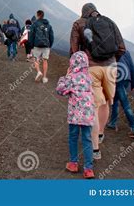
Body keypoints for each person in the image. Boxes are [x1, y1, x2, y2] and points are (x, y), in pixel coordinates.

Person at [70, 3, 126, 160]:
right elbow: (122, 48)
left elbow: (74, 50)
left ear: (83, 13)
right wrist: (112, 61)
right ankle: (100, 133)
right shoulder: (109, 22)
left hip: (91, 68)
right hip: (110, 68)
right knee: (106, 102)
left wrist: (77, 67)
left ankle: (95, 149)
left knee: (93, 106)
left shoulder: (79, 23)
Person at [56, 51, 95, 179]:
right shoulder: (89, 77)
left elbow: (60, 90)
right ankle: (88, 169)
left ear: (72, 63)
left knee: (73, 137)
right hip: (88, 115)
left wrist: (65, 76)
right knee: (87, 140)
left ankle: (73, 163)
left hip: (75, 115)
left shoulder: (71, 77)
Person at [107, 50, 134, 138]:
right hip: (125, 77)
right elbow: (132, 67)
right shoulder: (126, 51)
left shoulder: (110, 48)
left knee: (124, 103)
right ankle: (112, 123)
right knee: (115, 100)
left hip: (118, 77)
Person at [29, 10, 54, 83]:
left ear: (37, 15)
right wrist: (50, 45)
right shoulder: (49, 25)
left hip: (37, 44)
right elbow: (51, 36)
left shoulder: (34, 24)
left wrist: (31, 44)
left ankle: (39, 72)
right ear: (43, 15)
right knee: (45, 60)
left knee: (36, 59)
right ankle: (44, 77)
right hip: (46, 45)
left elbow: (31, 35)